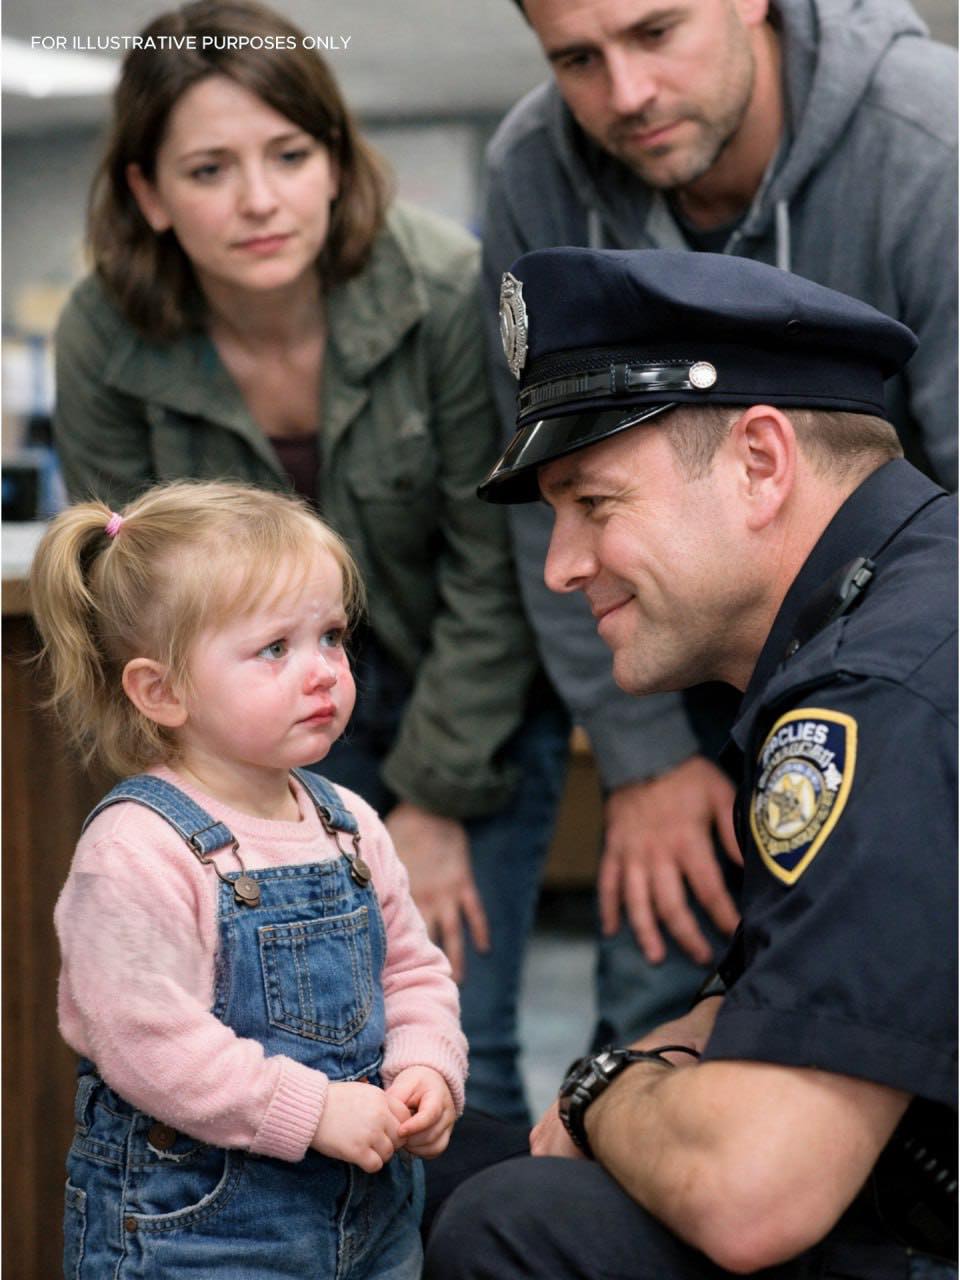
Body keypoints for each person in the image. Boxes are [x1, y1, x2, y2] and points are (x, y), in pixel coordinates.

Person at [50, 0, 567, 1123]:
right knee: (261, 1045)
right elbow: (136, 595)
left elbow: (496, 560)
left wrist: (431, 798)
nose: (258, 198)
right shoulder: (102, 333)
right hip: (233, 729)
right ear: (148, 194)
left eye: (289, 153)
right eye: (208, 167)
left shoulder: (442, 288)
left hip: (459, 704)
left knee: (456, 1041)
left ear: (335, 160)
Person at [424, 249, 957, 1278]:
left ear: (762, 463)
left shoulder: (881, 693)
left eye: (596, 501)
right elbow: (778, 987)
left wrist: (598, 1085)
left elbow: (752, 1188)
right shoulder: (897, 609)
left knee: (515, 1219)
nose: (560, 564)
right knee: (437, 1162)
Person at [482, 0, 958, 1045]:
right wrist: (642, 756)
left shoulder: (933, 139)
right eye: (576, 58)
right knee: (650, 1005)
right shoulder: (532, 164)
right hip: (668, 651)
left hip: (908, 646)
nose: (626, 94)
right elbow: (554, 505)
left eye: (655, 33)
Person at [30, 479, 468, 1279]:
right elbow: (147, 1043)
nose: (324, 673)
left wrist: (426, 1062)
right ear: (160, 691)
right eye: (276, 649)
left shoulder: (350, 824)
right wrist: (312, 1111)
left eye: (332, 636)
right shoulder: (138, 848)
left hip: (371, 1220)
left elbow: (410, 970)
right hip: (197, 1235)